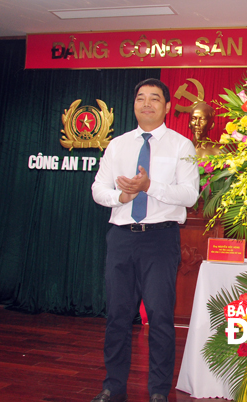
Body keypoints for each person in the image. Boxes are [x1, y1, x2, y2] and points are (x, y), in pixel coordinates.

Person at [91, 78, 200, 402]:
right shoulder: (118, 145)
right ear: (134, 104)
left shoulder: (182, 146)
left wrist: (149, 186)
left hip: (160, 240)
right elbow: (98, 190)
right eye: (141, 98)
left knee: (161, 317)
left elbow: (190, 194)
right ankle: (113, 387)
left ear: (167, 107)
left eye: (155, 98)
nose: (147, 104)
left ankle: (157, 392)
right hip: (122, 238)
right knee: (118, 317)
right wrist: (122, 196)